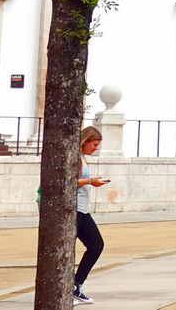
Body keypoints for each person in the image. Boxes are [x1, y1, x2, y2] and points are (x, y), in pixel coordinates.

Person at [73, 125, 111, 305]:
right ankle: (75, 285)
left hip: (82, 209)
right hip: (75, 210)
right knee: (95, 245)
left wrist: (92, 181)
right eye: (94, 144)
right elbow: (68, 181)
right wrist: (90, 181)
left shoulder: (82, 158)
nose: (95, 148)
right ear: (85, 141)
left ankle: (76, 284)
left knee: (96, 245)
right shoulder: (76, 158)